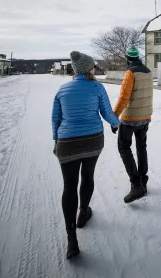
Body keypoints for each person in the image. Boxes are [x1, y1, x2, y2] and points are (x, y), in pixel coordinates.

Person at [52, 51, 119, 260]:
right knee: (88, 176)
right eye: (93, 66)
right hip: (92, 140)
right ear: (88, 69)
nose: (94, 69)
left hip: (67, 143)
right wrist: (116, 124)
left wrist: (57, 140)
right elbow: (107, 113)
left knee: (69, 185)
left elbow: (56, 119)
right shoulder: (97, 87)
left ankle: (71, 237)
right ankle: (83, 212)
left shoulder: (62, 90)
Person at [113, 46, 153, 204]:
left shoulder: (130, 73)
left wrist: (114, 117)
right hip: (145, 117)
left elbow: (124, 97)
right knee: (141, 147)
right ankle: (143, 181)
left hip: (130, 118)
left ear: (128, 59)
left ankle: (136, 185)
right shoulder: (148, 71)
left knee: (124, 147)